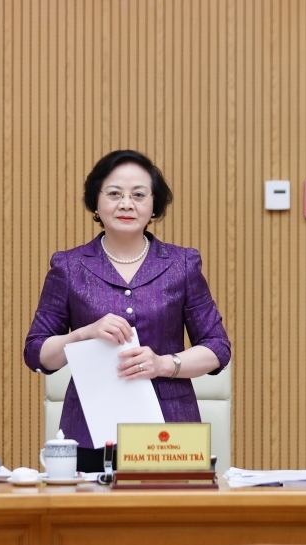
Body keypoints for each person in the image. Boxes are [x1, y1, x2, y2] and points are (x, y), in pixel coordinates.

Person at [24, 149, 231, 472]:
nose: (126, 204)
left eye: (138, 194)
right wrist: (83, 334)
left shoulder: (182, 264)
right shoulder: (69, 267)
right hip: (90, 429)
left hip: (170, 432)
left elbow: (218, 348)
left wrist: (163, 364)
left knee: (171, 506)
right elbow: (36, 353)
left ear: (153, 205)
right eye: (114, 194)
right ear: (95, 202)